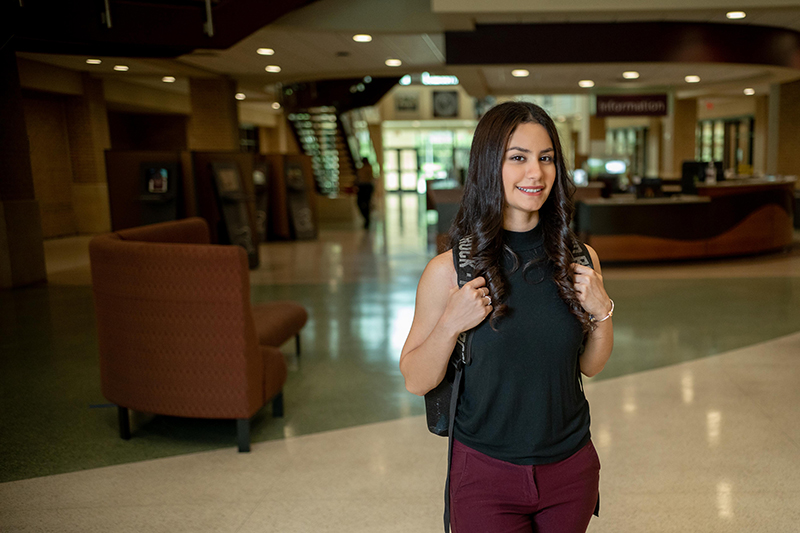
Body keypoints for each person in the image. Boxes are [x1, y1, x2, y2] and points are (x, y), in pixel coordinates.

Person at [399, 101, 614, 533]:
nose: (535, 173)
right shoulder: (449, 271)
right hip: (484, 474)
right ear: (488, 166)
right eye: (518, 158)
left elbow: (590, 366)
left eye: (546, 157)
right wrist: (450, 323)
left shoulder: (580, 258)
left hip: (570, 469)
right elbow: (415, 379)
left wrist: (602, 310)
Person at [355, 157, 375, 229]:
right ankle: (366, 218)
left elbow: (370, 178)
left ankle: (367, 219)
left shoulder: (369, 168)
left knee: (366, 203)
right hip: (362, 187)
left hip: (367, 187)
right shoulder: (361, 169)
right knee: (360, 202)